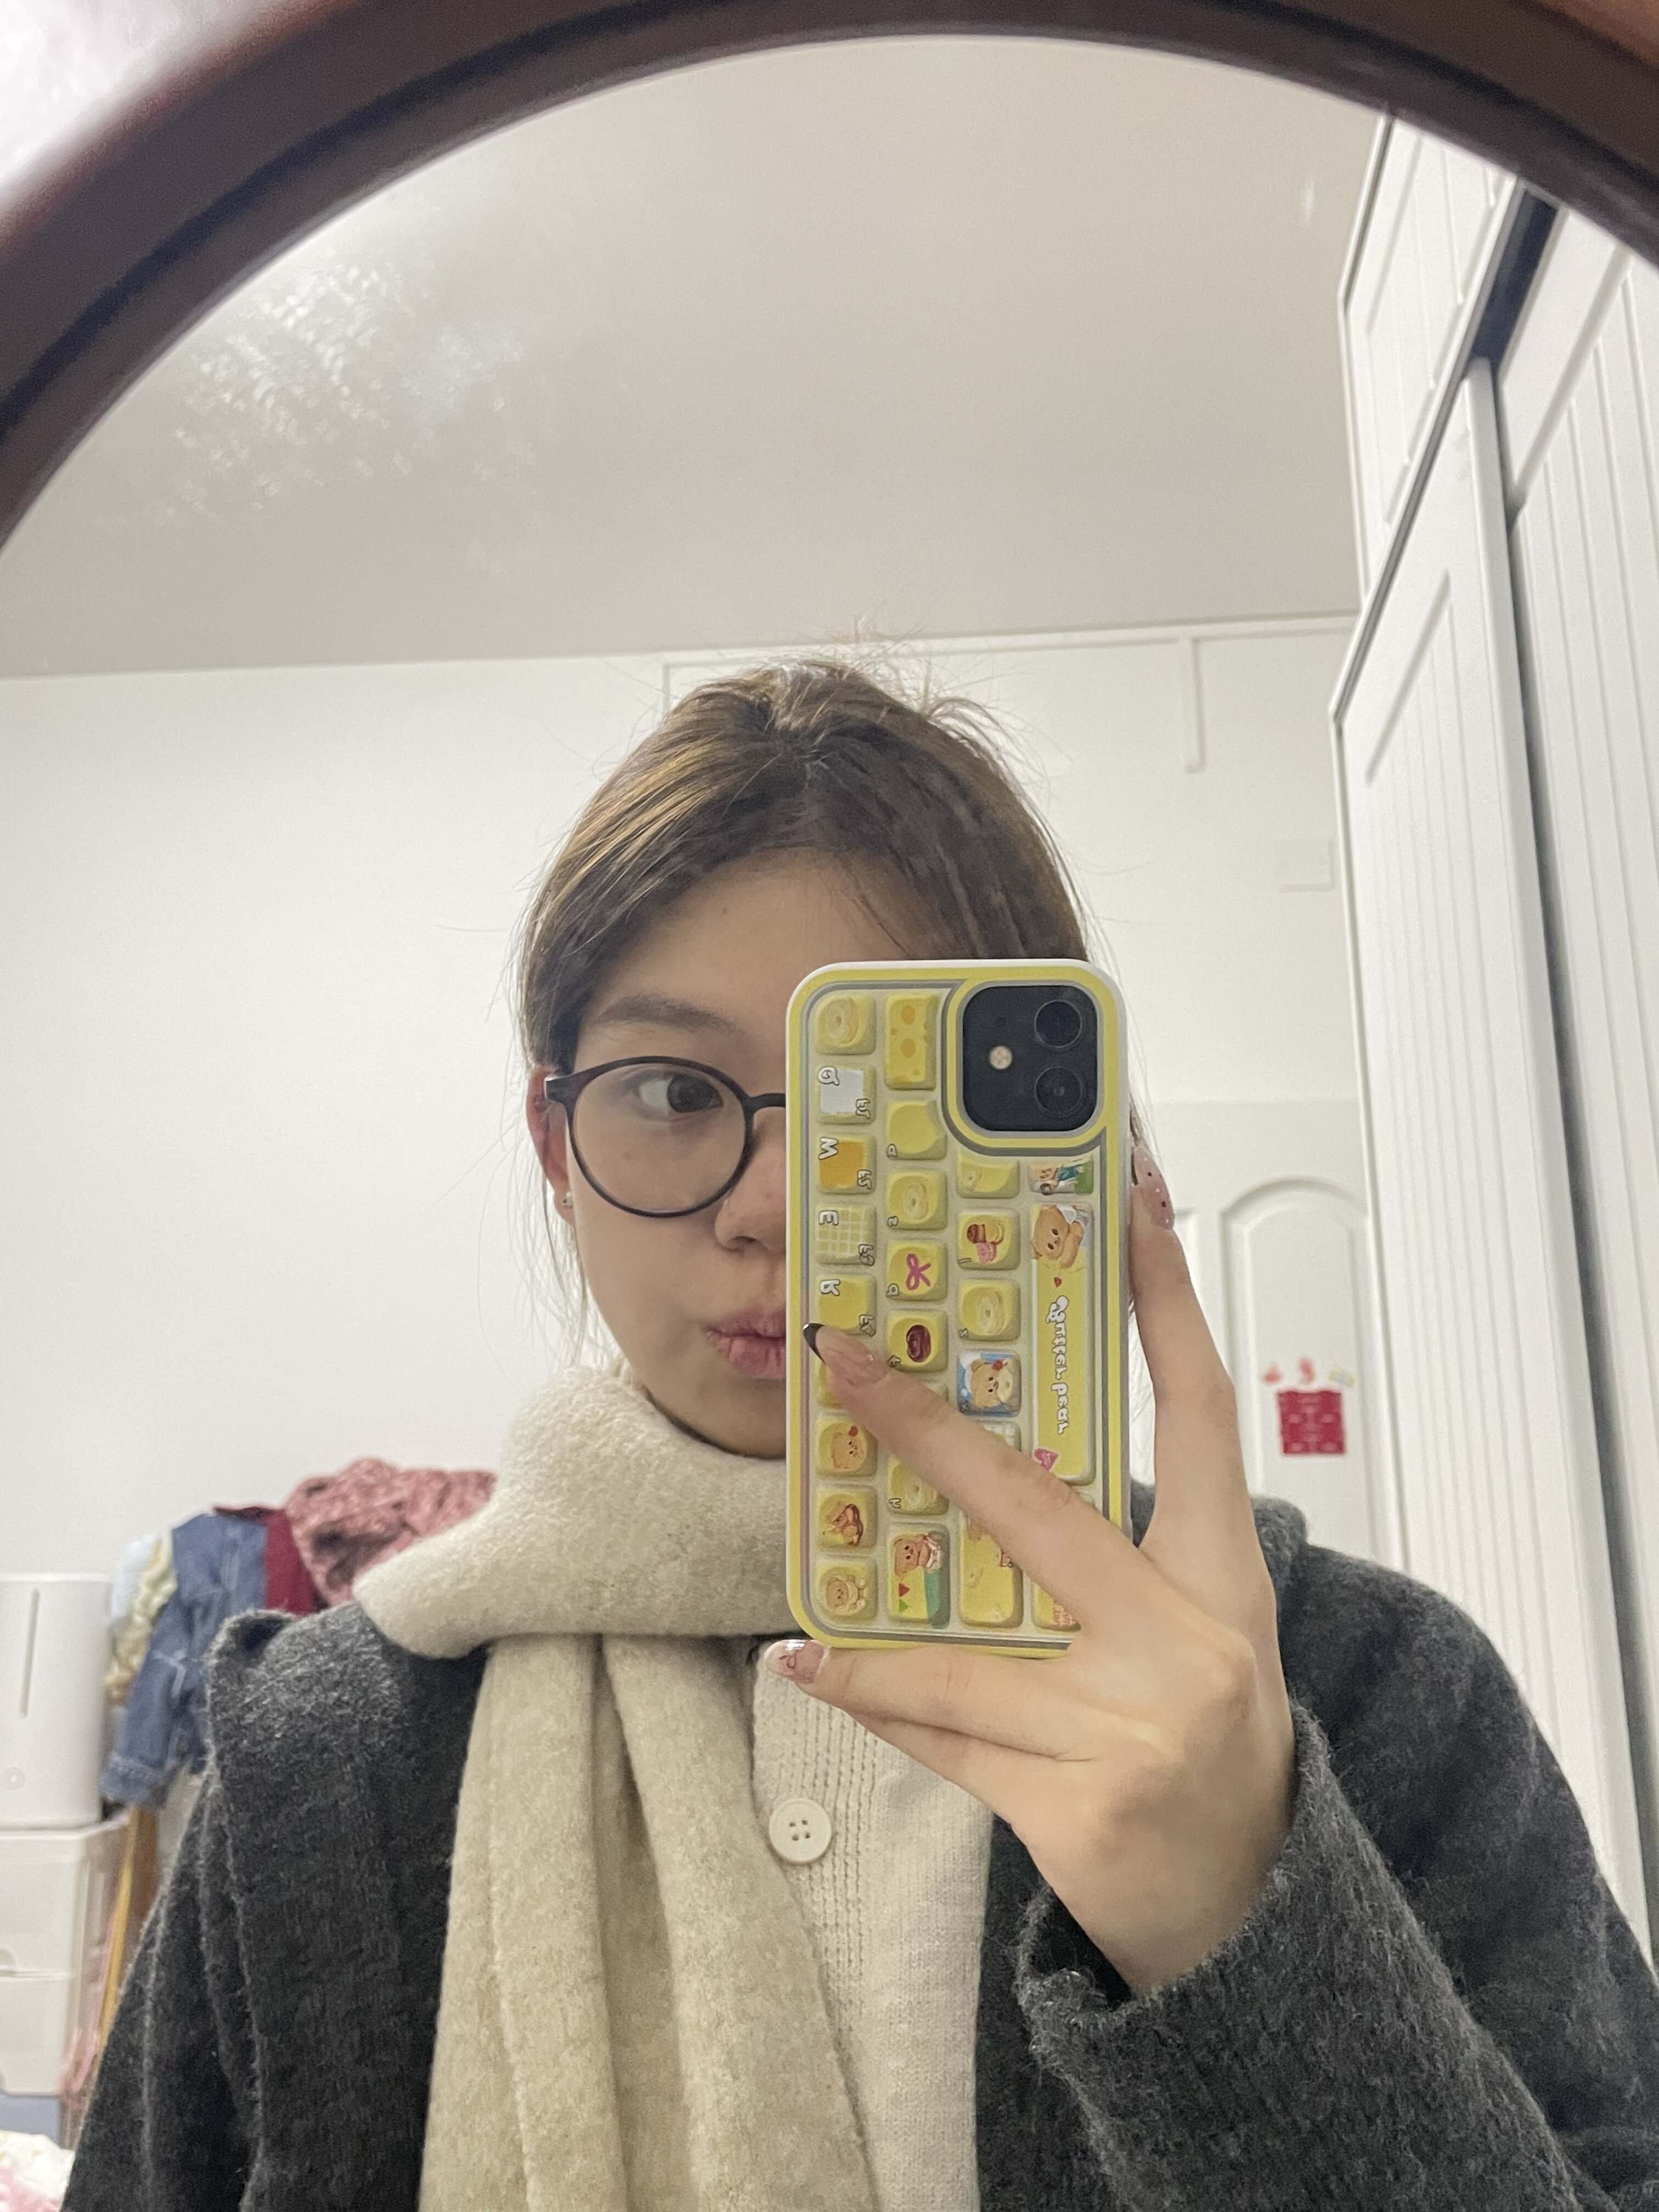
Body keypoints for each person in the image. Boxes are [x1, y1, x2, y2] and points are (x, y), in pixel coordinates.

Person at [64, 659, 1659, 2212]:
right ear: (555, 1144)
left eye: (869, 1108)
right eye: (675, 1092)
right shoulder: (322, 1751)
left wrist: (1240, 1928)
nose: (773, 1208)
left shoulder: (1369, 1689)